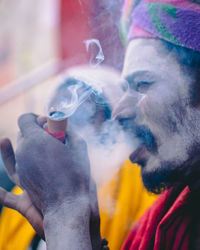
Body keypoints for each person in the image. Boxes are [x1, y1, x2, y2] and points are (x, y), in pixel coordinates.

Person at [1, 0, 200, 248]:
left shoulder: (144, 203)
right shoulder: (163, 223)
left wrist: (66, 215)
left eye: (143, 84)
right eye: (125, 89)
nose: (118, 113)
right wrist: (86, 235)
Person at [0, 66, 157, 250]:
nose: (66, 127)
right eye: (56, 114)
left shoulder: (143, 187)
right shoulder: (28, 192)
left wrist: (67, 220)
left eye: (83, 115)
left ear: (112, 126)